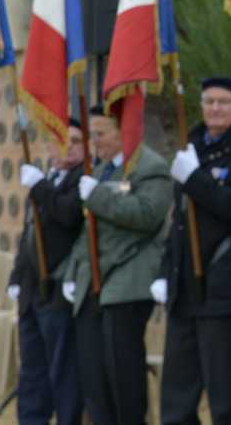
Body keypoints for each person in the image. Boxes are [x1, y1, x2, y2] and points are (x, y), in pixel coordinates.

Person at [154, 77, 231, 425]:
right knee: (177, 395)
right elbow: (180, 221)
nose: (214, 108)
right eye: (208, 101)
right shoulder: (193, 144)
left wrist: (196, 178)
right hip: (185, 286)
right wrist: (164, 271)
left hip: (221, 286)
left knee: (223, 394)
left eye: (223, 102)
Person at [63, 104, 170, 425]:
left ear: (123, 132)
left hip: (126, 282)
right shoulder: (101, 170)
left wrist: (99, 197)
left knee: (122, 375)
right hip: (91, 283)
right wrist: (72, 273)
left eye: (100, 134)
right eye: (91, 134)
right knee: (94, 378)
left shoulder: (150, 167)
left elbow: (146, 214)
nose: (94, 142)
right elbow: (87, 231)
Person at [8, 119, 85, 424]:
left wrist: (40, 187)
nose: (66, 146)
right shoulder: (46, 177)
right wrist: (15, 276)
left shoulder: (84, 179)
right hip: (31, 289)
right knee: (32, 372)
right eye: (59, 139)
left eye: (75, 141)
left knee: (63, 372)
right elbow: (29, 233)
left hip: (58, 287)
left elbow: (68, 215)